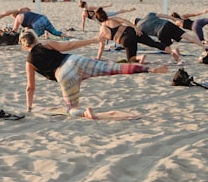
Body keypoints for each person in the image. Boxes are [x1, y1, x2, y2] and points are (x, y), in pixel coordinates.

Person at [20, 28, 168, 118]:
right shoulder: (47, 44)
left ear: (23, 44)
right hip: (75, 61)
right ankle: (149, 69)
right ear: (35, 38)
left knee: (71, 109)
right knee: (113, 68)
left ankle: (85, 113)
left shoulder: (29, 62)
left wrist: (29, 106)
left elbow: (30, 87)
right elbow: (70, 44)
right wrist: (93, 40)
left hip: (64, 76)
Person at [93, 7, 160, 63]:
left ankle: (140, 57)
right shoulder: (113, 19)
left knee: (130, 60)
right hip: (130, 31)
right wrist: (135, 27)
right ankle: (166, 49)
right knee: (151, 43)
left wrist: (98, 57)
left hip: (124, 40)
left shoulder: (102, 30)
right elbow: (125, 21)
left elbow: (101, 46)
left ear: (98, 19)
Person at [136, 11, 207, 51]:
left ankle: (174, 51)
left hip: (161, 32)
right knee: (188, 36)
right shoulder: (149, 15)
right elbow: (164, 15)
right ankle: (205, 47)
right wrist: (175, 19)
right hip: (167, 24)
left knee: (167, 48)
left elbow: (147, 39)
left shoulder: (139, 28)